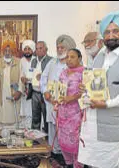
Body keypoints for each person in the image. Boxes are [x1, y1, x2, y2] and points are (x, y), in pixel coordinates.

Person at [78, 11, 119, 168]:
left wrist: (108, 104)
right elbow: (97, 87)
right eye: (107, 32)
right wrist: (85, 89)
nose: (110, 35)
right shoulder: (99, 58)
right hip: (94, 129)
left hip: (118, 132)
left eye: (115, 31)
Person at [41, 35, 76, 166]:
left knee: (65, 130)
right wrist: (45, 91)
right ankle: (54, 154)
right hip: (51, 103)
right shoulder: (52, 62)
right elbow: (43, 78)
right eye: (58, 47)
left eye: (63, 47)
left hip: (67, 105)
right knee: (52, 128)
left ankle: (66, 157)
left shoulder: (74, 64)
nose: (60, 50)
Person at [56, 49, 84, 168]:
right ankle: (68, 163)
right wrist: (56, 100)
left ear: (80, 58)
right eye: (67, 57)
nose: (69, 59)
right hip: (62, 112)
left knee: (76, 141)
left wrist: (71, 98)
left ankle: (78, 165)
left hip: (76, 113)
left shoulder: (84, 73)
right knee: (63, 140)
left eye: (72, 57)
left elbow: (87, 92)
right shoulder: (63, 72)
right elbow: (58, 90)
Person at [0, 41, 22, 127]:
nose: (7, 53)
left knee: (14, 118)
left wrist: (19, 92)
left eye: (9, 50)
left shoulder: (19, 62)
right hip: (1, 93)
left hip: (14, 93)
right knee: (1, 119)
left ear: (13, 51)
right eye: (5, 50)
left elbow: (22, 79)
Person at [30, 41, 52, 133]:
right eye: (37, 48)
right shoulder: (34, 61)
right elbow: (31, 73)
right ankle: (35, 139)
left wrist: (42, 76)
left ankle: (47, 139)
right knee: (35, 117)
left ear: (46, 49)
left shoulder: (51, 61)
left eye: (41, 48)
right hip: (34, 92)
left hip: (45, 93)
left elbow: (52, 76)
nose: (38, 50)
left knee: (46, 117)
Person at [19, 40, 35, 128]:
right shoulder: (21, 61)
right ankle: (25, 129)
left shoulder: (36, 60)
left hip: (34, 89)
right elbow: (20, 73)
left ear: (32, 50)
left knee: (33, 110)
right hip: (24, 89)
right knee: (24, 111)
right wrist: (22, 78)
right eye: (25, 49)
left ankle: (32, 129)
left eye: (29, 49)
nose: (27, 51)